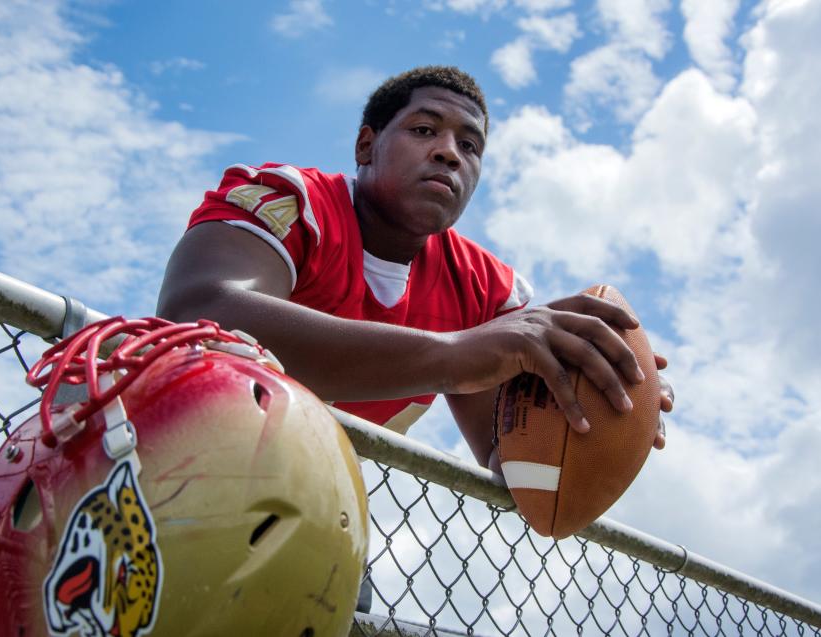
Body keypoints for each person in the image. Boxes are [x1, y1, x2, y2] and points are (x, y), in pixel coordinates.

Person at [157, 66, 673, 474]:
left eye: (470, 146)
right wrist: (454, 353)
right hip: (172, 466)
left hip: (319, 508)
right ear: (366, 146)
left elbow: (513, 465)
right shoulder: (292, 200)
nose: (449, 153)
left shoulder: (483, 290)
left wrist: (603, 411)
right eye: (425, 130)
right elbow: (197, 317)